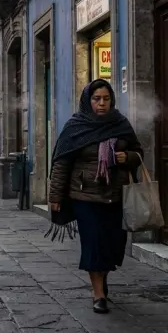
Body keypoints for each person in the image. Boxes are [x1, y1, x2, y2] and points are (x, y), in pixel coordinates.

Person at [48, 79, 143, 314]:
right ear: (88, 101)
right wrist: (55, 196)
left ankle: (102, 275)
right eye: (96, 99)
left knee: (112, 244)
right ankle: (98, 292)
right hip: (85, 197)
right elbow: (62, 162)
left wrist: (127, 157)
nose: (101, 103)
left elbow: (138, 152)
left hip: (115, 196)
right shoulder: (76, 126)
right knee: (93, 243)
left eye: (106, 99)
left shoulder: (120, 123)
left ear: (112, 100)